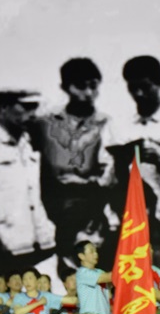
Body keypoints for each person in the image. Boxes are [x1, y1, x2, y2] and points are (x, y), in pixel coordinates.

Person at [32, 58, 117, 261]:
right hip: (51, 217)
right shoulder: (44, 124)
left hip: (91, 218)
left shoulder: (105, 124)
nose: (88, 93)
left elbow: (112, 174)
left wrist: (86, 183)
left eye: (93, 86)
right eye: (80, 86)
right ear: (65, 87)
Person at [0, 90, 56, 269]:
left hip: (39, 244)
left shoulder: (27, 141)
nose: (33, 114)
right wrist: (0, 250)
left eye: (35, 107)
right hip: (4, 248)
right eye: (26, 107)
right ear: (4, 107)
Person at [113, 55, 160, 253]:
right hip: (138, 223)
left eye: (145, 87)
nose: (139, 94)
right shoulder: (122, 128)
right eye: (133, 87)